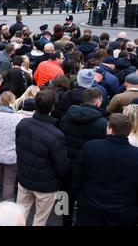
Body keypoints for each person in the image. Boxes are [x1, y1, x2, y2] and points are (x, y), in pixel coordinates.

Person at [71, 114, 138, 226]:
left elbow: (77, 177)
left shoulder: (91, 147)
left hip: (90, 208)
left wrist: (74, 197)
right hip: (122, 212)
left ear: (110, 130)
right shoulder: (135, 155)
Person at [15, 90, 69, 226]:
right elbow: (61, 167)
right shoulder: (56, 135)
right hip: (45, 185)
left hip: (24, 179)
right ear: (52, 107)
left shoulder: (23, 124)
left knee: (19, 215)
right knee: (40, 219)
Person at [58, 88, 108, 226]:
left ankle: (62, 219)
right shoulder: (102, 123)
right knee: (83, 198)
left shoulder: (67, 116)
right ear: (98, 102)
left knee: (63, 193)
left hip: (66, 163)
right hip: (87, 167)